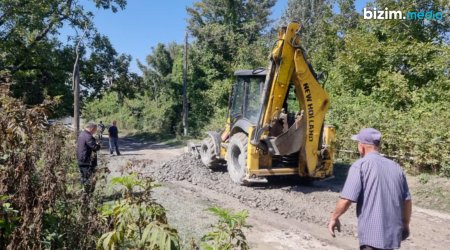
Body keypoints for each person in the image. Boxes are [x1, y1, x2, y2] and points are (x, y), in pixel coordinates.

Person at [328, 128, 412, 250]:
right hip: (392, 238)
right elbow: (407, 201)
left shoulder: (360, 165)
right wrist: (405, 223)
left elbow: (346, 199)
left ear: (361, 147)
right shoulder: (396, 167)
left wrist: (334, 217)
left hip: (371, 238)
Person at [76, 122, 101, 192]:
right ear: (92, 128)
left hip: (81, 159)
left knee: (84, 177)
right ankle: (87, 195)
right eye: (95, 130)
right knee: (88, 178)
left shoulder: (82, 134)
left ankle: (84, 193)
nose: (95, 131)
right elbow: (94, 147)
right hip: (86, 160)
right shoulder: (88, 136)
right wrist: (98, 145)